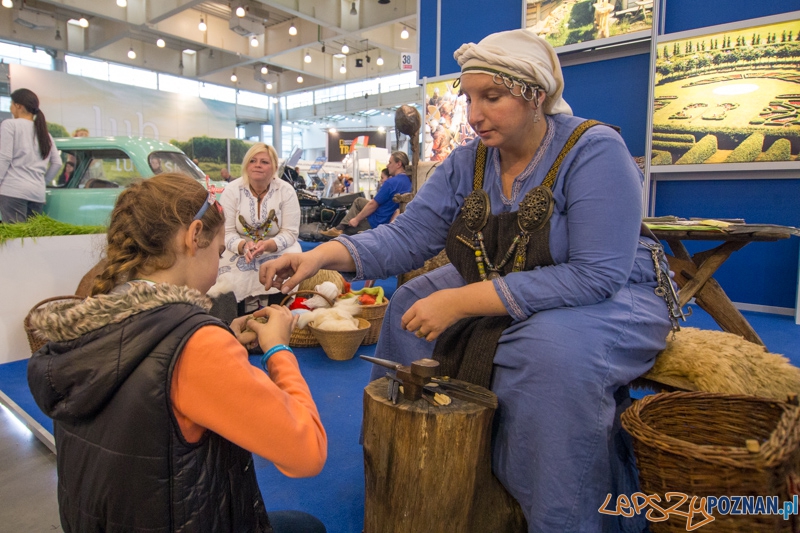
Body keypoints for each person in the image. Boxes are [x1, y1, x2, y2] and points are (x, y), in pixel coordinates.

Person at [260, 29, 678, 532]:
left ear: (535, 95)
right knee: (411, 301)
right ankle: (406, 464)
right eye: (470, 98)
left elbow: (597, 274)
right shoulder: (469, 163)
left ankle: (560, 514)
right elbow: (407, 238)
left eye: (492, 97)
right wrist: (320, 255)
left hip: (615, 297)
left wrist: (464, 301)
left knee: (548, 351)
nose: (474, 114)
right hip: (511, 280)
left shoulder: (595, 150)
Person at [26, 173, 327, 533]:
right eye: (217, 253)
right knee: (308, 526)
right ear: (193, 235)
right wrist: (278, 349)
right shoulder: (195, 344)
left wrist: (224, 338)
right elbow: (307, 452)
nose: (218, 270)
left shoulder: (89, 318)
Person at [217, 142, 302, 314]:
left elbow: (290, 232)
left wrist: (268, 245)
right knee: (224, 268)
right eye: (252, 161)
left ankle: (277, 311)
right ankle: (235, 315)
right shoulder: (232, 190)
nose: (257, 165)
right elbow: (226, 232)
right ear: (246, 165)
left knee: (290, 261)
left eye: (264, 162)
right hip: (239, 246)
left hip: (278, 245)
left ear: (275, 167)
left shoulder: (286, 190)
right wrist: (242, 246)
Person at [0, 88, 62, 223]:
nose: (10, 108)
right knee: (32, 239)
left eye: (11, 104)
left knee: (15, 239)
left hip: (13, 190)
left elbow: (4, 158)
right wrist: (43, 182)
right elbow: (57, 163)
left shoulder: (9, 125)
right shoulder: (44, 133)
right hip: (37, 193)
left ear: (18, 106)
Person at [319, 151, 412, 237]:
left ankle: (340, 229)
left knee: (347, 231)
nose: (387, 165)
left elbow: (373, 204)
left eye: (390, 162)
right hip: (390, 218)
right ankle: (339, 227)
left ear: (399, 164)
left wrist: (356, 219)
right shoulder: (410, 182)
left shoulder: (391, 183)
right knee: (359, 201)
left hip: (377, 221)